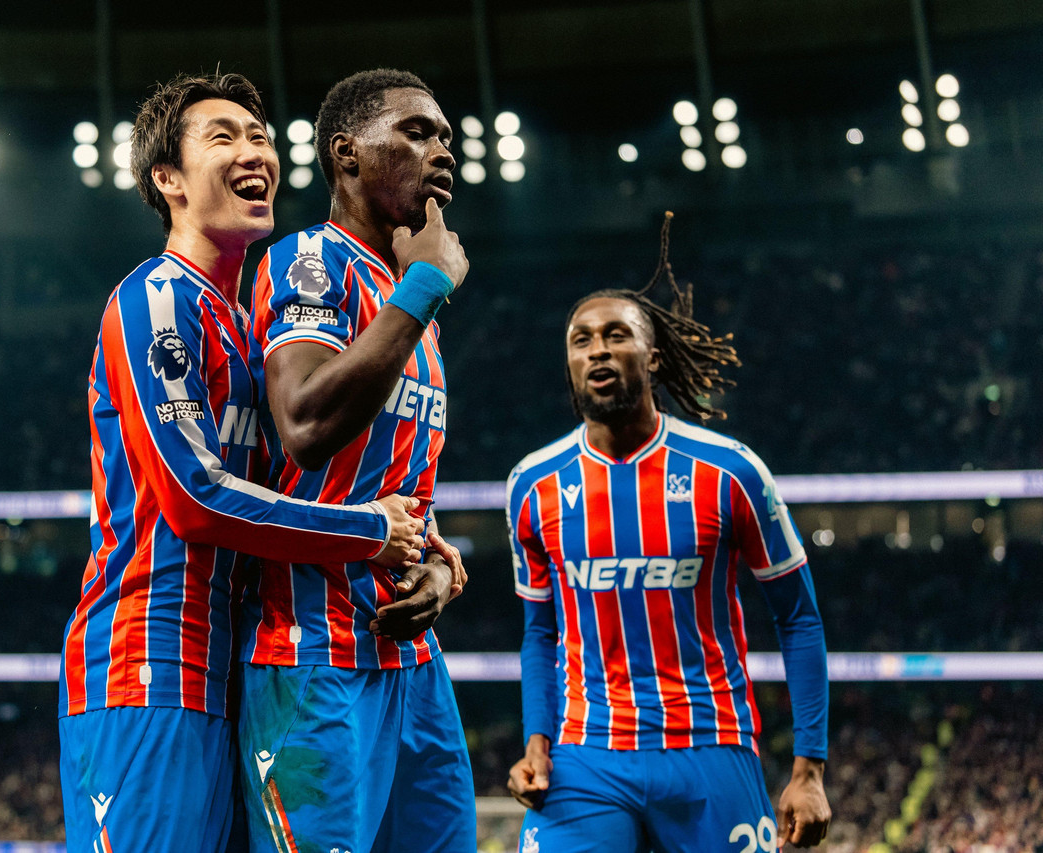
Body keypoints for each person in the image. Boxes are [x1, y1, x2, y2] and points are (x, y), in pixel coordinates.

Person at [57, 72, 426, 853]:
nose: (254, 151)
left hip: (239, 672)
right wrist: (369, 530)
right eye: (223, 137)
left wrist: (431, 550)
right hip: (150, 664)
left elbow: (295, 485)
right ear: (168, 179)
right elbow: (196, 498)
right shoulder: (158, 298)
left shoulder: (244, 329)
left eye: (260, 136)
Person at [505, 220, 833, 851]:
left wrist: (809, 770)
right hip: (584, 756)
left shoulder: (731, 472)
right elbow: (540, 632)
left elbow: (799, 618)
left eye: (616, 335)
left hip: (710, 745)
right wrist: (536, 745)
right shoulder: (532, 485)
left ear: (652, 357)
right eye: (581, 340)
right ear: (569, 364)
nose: (597, 350)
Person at [238, 68, 476, 853]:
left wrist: (436, 569)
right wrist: (428, 283)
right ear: (347, 154)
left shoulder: (411, 303)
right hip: (313, 664)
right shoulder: (312, 260)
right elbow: (305, 422)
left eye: (446, 135)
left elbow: (403, 492)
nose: (443, 149)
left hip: (412, 666)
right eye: (417, 131)